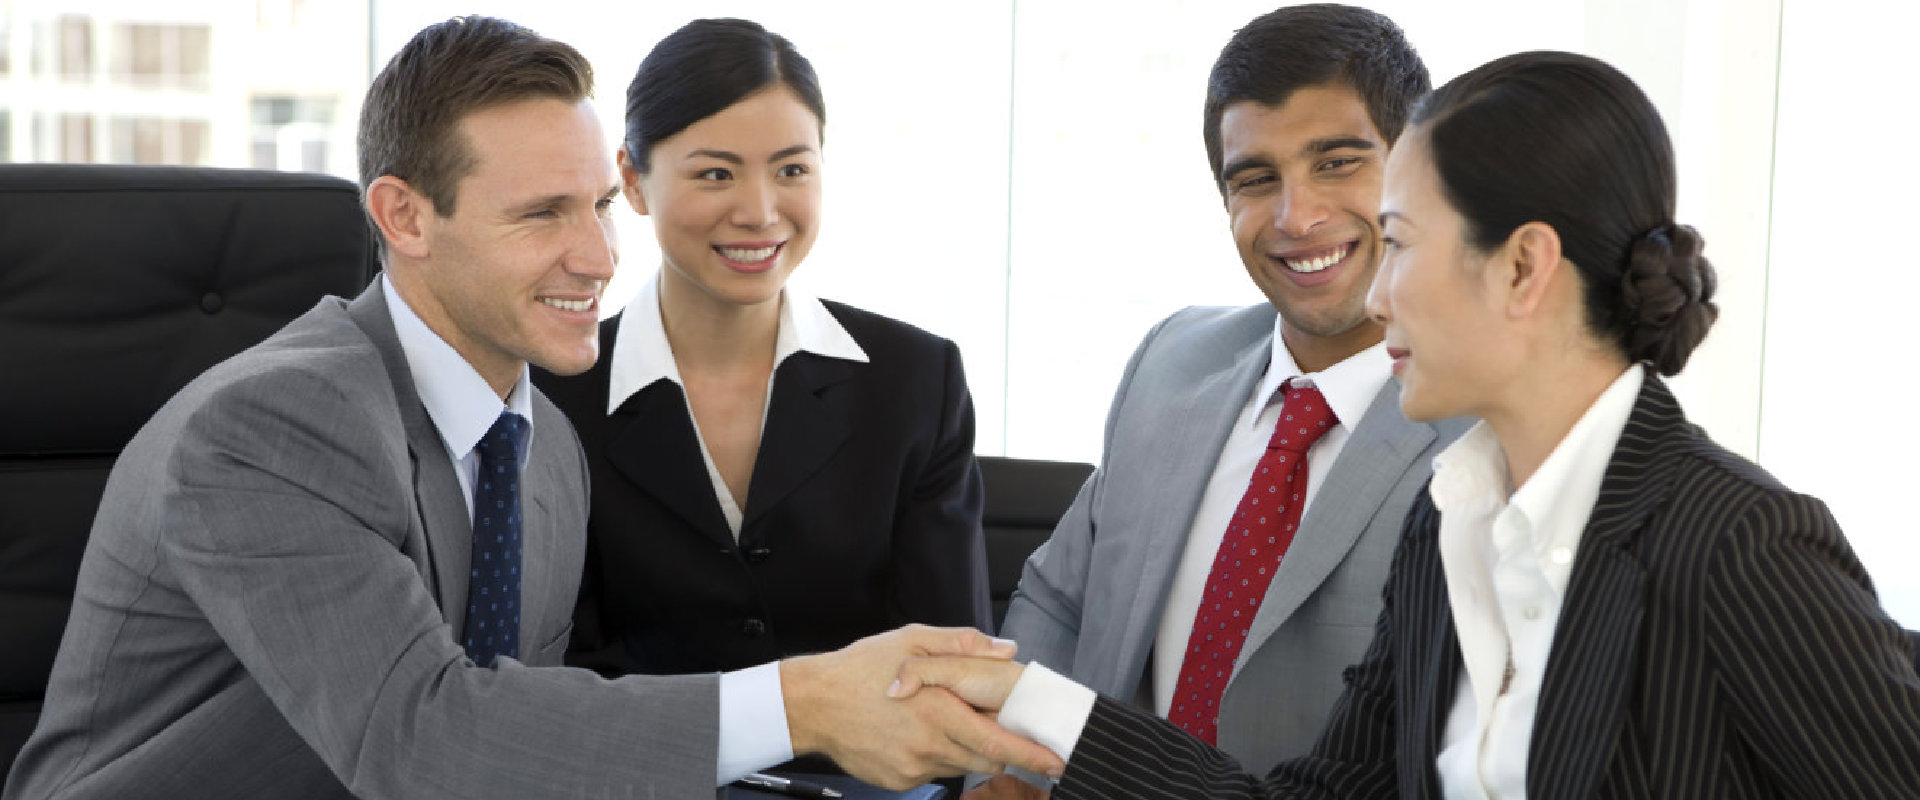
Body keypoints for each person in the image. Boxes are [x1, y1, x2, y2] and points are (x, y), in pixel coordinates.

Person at [1, 16, 1059, 800]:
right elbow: (425, 739)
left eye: (598, 204)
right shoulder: (279, 421)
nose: (600, 257)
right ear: (404, 216)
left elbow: (531, 743)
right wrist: (805, 700)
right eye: (544, 213)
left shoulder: (541, 441)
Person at [901, 50, 1920, 798]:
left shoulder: (1734, 537)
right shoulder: (1453, 529)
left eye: (1397, 242)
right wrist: (1028, 701)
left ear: (1522, 266)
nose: (1375, 296)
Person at [980, 5, 1465, 794]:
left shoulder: (1486, 432)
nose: (1295, 217)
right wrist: (1007, 771)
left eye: (1338, 162)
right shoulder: (1173, 361)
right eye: (1255, 179)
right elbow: (1059, 599)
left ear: (1419, 175)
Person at [534, 18, 991, 691]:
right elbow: (556, 675)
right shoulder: (553, 391)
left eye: (792, 170)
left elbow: (947, 665)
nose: (760, 211)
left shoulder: (916, 381)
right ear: (631, 179)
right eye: (716, 173)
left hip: (867, 789)